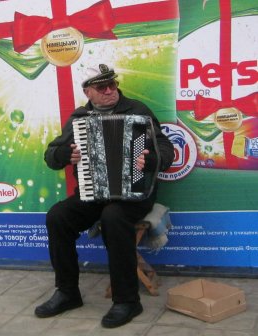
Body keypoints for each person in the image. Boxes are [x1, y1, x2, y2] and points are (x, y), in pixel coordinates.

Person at [35, 64, 174, 328]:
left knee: (113, 216)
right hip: (93, 192)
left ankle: (127, 300)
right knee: (58, 216)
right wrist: (64, 155)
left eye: (113, 84)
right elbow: (52, 155)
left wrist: (152, 158)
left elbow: (165, 148)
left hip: (135, 193)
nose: (110, 90)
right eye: (102, 87)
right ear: (88, 92)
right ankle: (67, 292)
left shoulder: (138, 111)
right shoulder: (79, 118)